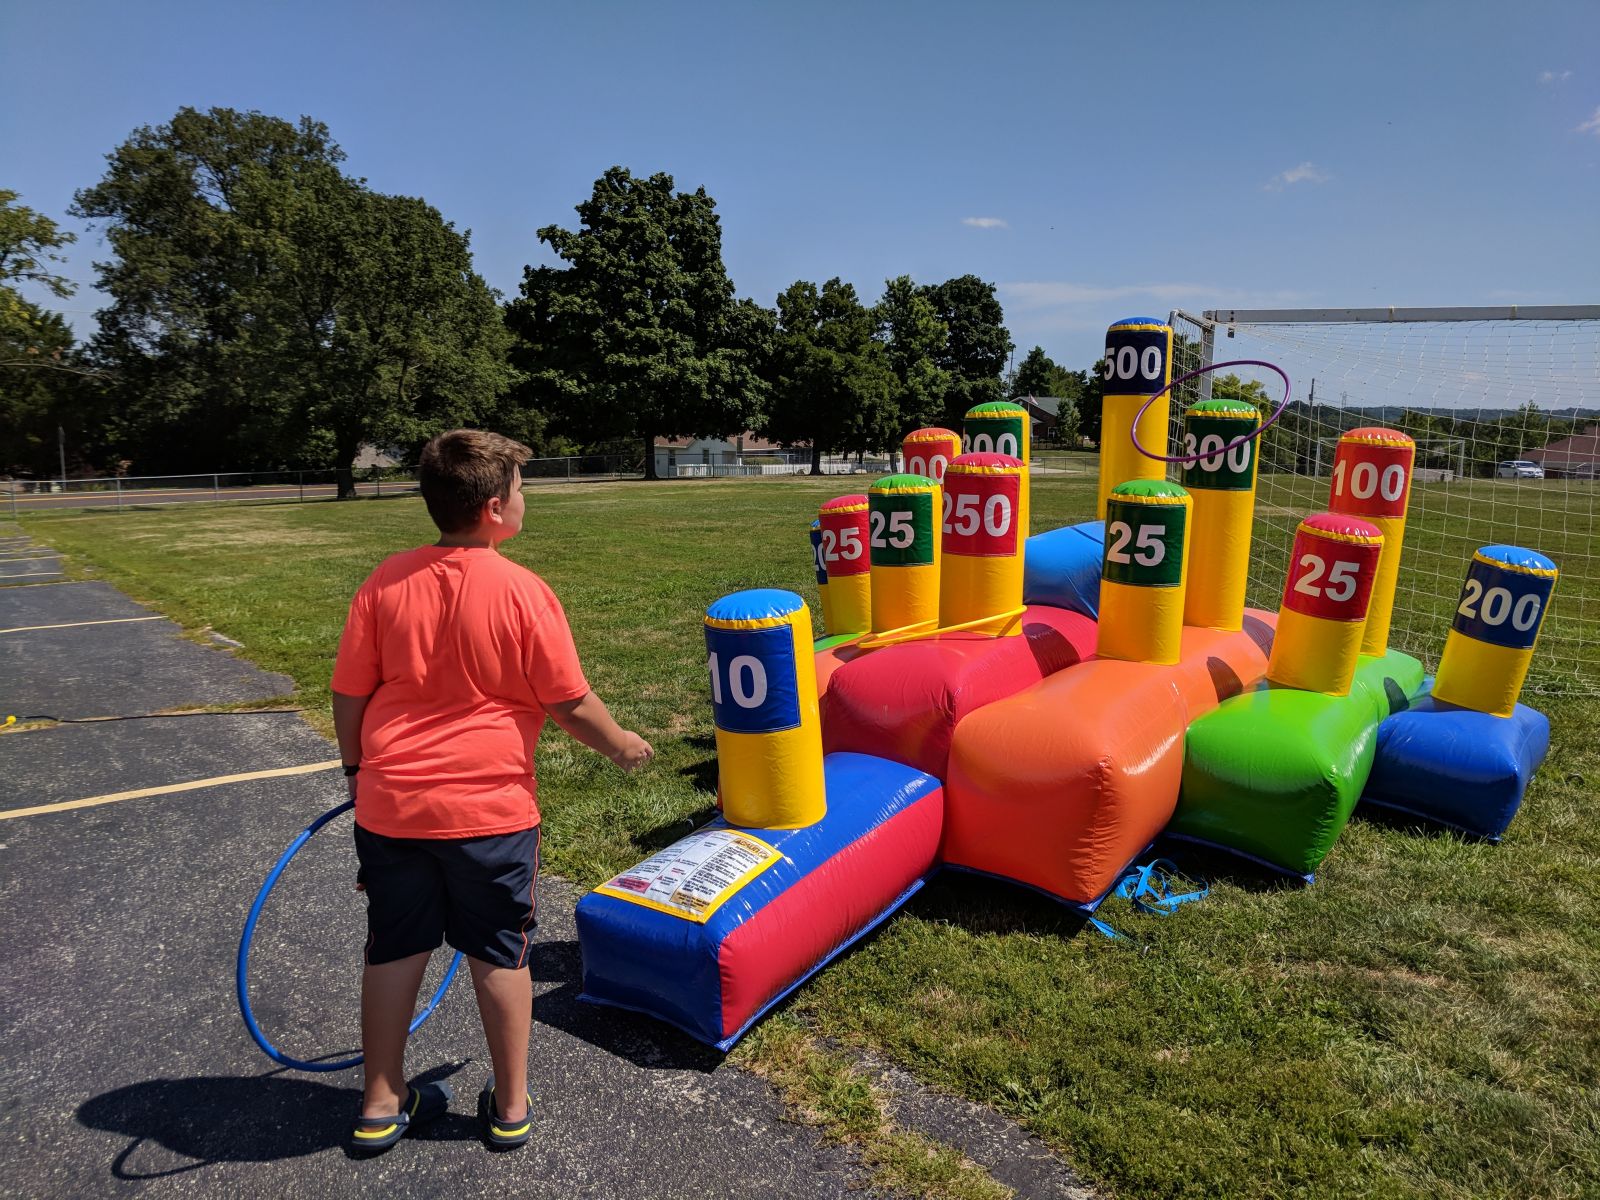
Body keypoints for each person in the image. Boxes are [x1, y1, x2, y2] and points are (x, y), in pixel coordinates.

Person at [331, 429, 652, 1153]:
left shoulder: (385, 581)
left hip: (392, 806)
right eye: (522, 488)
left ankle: (381, 1101)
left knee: (393, 948)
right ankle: (510, 1105)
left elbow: (349, 694)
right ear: (498, 507)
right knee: (502, 953)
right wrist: (622, 743)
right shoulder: (525, 591)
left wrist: (357, 772)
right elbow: (568, 703)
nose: (524, 499)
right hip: (490, 814)